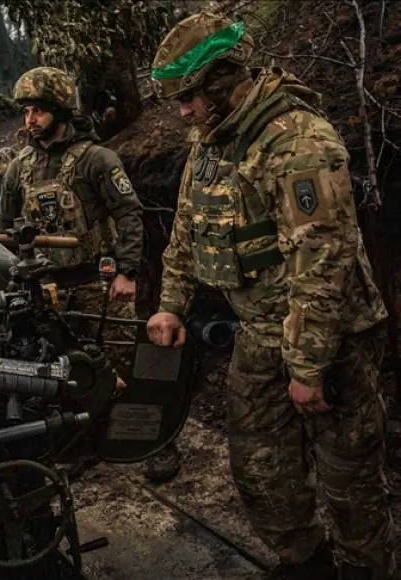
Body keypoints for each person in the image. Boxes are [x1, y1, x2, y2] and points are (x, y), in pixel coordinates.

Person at [147, 12, 395, 580]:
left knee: (349, 482)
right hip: (259, 333)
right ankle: (303, 562)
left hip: (333, 341)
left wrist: (308, 365)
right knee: (261, 472)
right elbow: (186, 230)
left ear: (223, 79)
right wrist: (171, 303)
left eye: (189, 97)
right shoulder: (210, 142)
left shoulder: (297, 142)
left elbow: (322, 261)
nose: (183, 111)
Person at [0, 66, 181, 481]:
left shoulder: (97, 159)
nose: (30, 120)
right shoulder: (18, 168)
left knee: (126, 365)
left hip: (100, 282)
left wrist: (127, 272)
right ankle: (85, 443)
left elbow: (130, 216)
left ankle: (154, 443)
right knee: (69, 371)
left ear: (61, 111)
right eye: (26, 111)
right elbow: (4, 228)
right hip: (50, 290)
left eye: (39, 111)